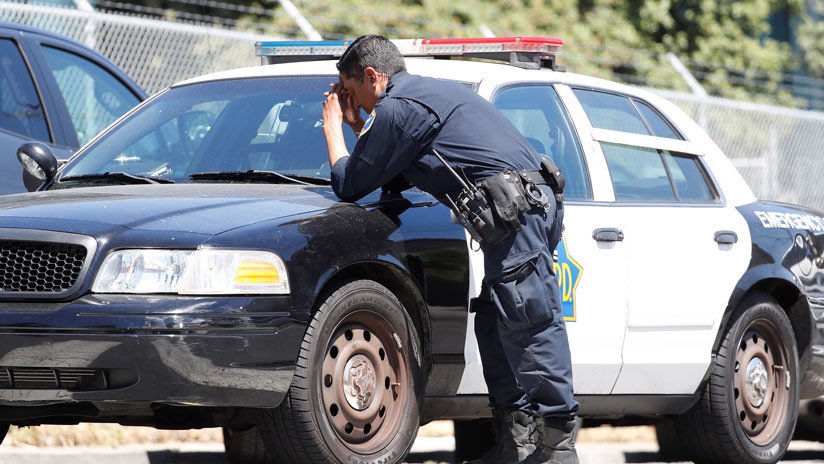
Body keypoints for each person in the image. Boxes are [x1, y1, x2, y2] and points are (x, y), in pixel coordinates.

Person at [321, 34, 579, 464]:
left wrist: (333, 128)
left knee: (529, 324)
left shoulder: (399, 108)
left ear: (372, 76)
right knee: (496, 325)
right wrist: (358, 127)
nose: (353, 103)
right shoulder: (420, 98)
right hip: (521, 210)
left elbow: (351, 183)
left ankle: (556, 450)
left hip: (516, 212)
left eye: (351, 92)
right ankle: (515, 447)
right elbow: (388, 169)